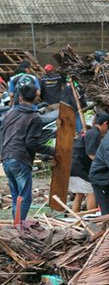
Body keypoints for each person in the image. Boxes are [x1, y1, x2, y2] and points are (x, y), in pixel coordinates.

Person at [0, 84, 55, 222]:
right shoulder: (34, 117)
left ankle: (16, 226)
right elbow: (31, 143)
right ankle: (19, 228)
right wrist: (52, 151)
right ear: (36, 98)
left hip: (6, 158)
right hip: (19, 159)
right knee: (25, 197)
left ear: (20, 98)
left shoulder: (9, 113)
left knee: (16, 196)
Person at [69, 112, 109, 212]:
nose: (107, 130)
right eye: (108, 126)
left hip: (72, 167)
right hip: (78, 168)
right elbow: (91, 154)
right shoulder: (94, 133)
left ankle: (75, 216)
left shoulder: (90, 132)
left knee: (80, 193)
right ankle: (91, 216)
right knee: (92, 189)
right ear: (105, 123)